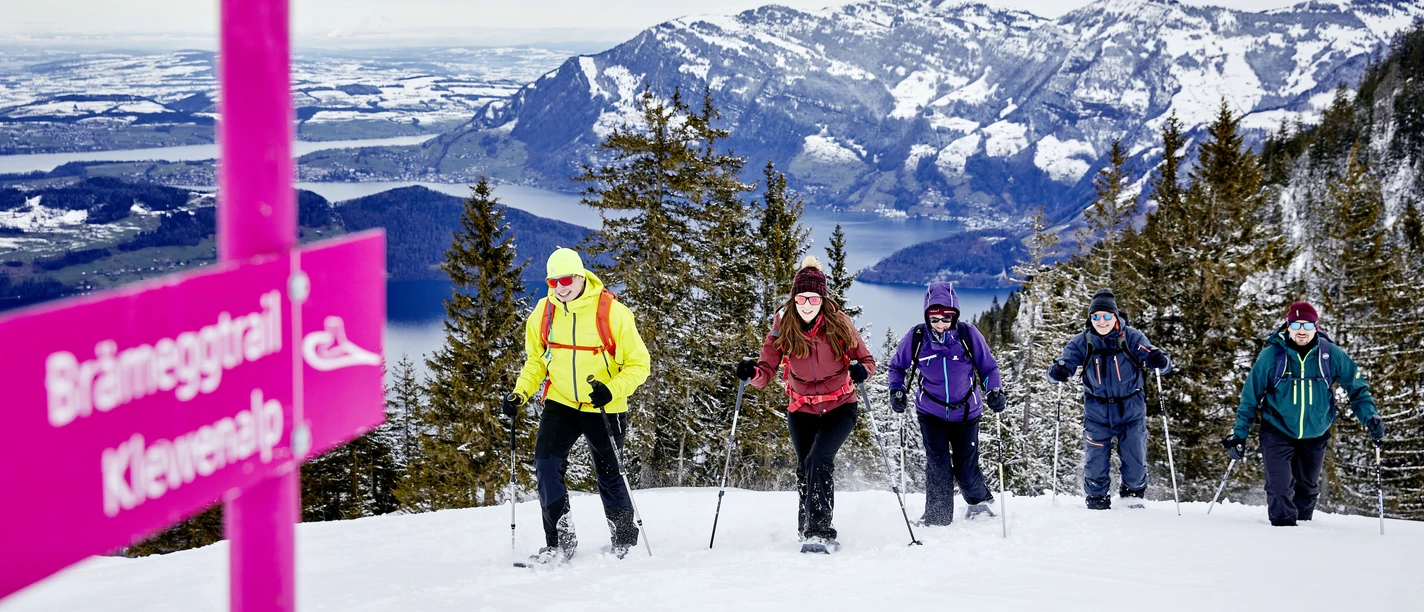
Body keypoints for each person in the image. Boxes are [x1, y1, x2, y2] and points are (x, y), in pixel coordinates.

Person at [503, 248, 651, 562]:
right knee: (545, 465)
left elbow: (639, 365)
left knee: (610, 473)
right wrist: (520, 392)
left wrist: (611, 390)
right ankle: (559, 543)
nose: (561, 287)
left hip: (603, 406)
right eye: (553, 281)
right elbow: (537, 362)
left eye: (567, 279)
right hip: (562, 402)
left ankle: (624, 540)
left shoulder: (612, 312)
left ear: (581, 276)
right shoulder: (543, 312)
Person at [735, 256, 875, 553]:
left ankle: (820, 531)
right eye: (801, 298)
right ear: (794, 298)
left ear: (823, 298)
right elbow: (767, 370)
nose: (807, 304)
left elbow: (866, 361)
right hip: (801, 409)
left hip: (840, 406)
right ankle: (807, 526)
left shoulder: (839, 324)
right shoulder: (784, 325)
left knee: (818, 460)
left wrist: (862, 371)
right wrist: (752, 375)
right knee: (804, 467)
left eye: (813, 298)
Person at [1223, 301, 1383, 526]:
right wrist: (1239, 434)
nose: (1301, 330)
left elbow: (1357, 389)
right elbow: (1250, 398)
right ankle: (1282, 534)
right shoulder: (1272, 356)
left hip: (1315, 432)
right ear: (1287, 326)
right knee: (1279, 488)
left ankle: (1303, 541)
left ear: (1316, 327)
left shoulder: (1330, 355)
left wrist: (1370, 416)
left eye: (1307, 325)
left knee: (1307, 493)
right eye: (1296, 324)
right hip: (1277, 430)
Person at [886, 281, 1005, 525]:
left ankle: (978, 503)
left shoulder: (967, 335)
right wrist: (896, 390)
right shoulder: (917, 337)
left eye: (947, 317)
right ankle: (937, 518)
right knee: (938, 465)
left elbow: (988, 367)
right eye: (935, 318)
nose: (941, 323)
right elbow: (897, 367)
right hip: (931, 412)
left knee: (965, 466)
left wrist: (994, 391)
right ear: (927, 316)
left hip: (966, 412)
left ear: (955, 315)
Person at [1047, 289, 1171, 510]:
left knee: (1135, 461)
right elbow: (1062, 365)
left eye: (1106, 316)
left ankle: (1132, 497)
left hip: (1131, 409)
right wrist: (1058, 372)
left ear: (1115, 317)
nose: (1101, 321)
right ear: (1090, 318)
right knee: (1095, 463)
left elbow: (1157, 358)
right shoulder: (1082, 342)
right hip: (1097, 411)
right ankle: (1097, 501)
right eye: (1096, 317)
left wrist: (1158, 360)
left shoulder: (1131, 337)